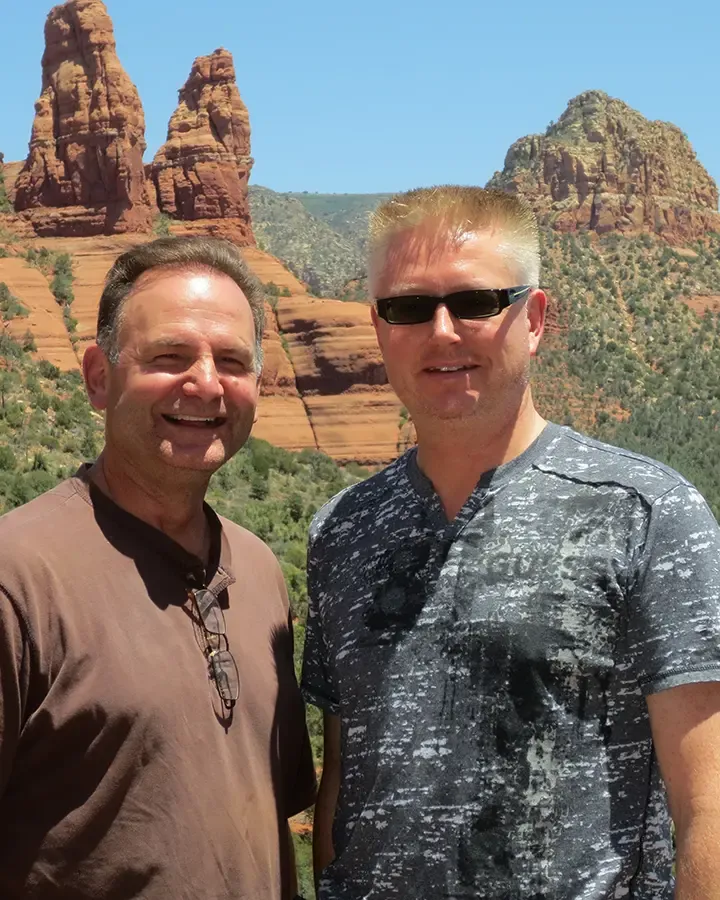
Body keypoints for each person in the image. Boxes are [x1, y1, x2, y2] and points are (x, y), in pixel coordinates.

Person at [301, 186, 720, 899]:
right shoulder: (342, 529)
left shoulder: (643, 512)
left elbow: (707, 805)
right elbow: (344, 781)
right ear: (378, 328)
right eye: (409, 307)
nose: (442, 332)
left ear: (535, 319)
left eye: (475, 302)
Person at [0, 236, 315, 899]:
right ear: (97, 376)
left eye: (231, 360)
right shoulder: (19, 577)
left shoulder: (258, 573)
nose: (204, 382)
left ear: (257, 386)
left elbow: (266, 823)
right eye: (168, 357)